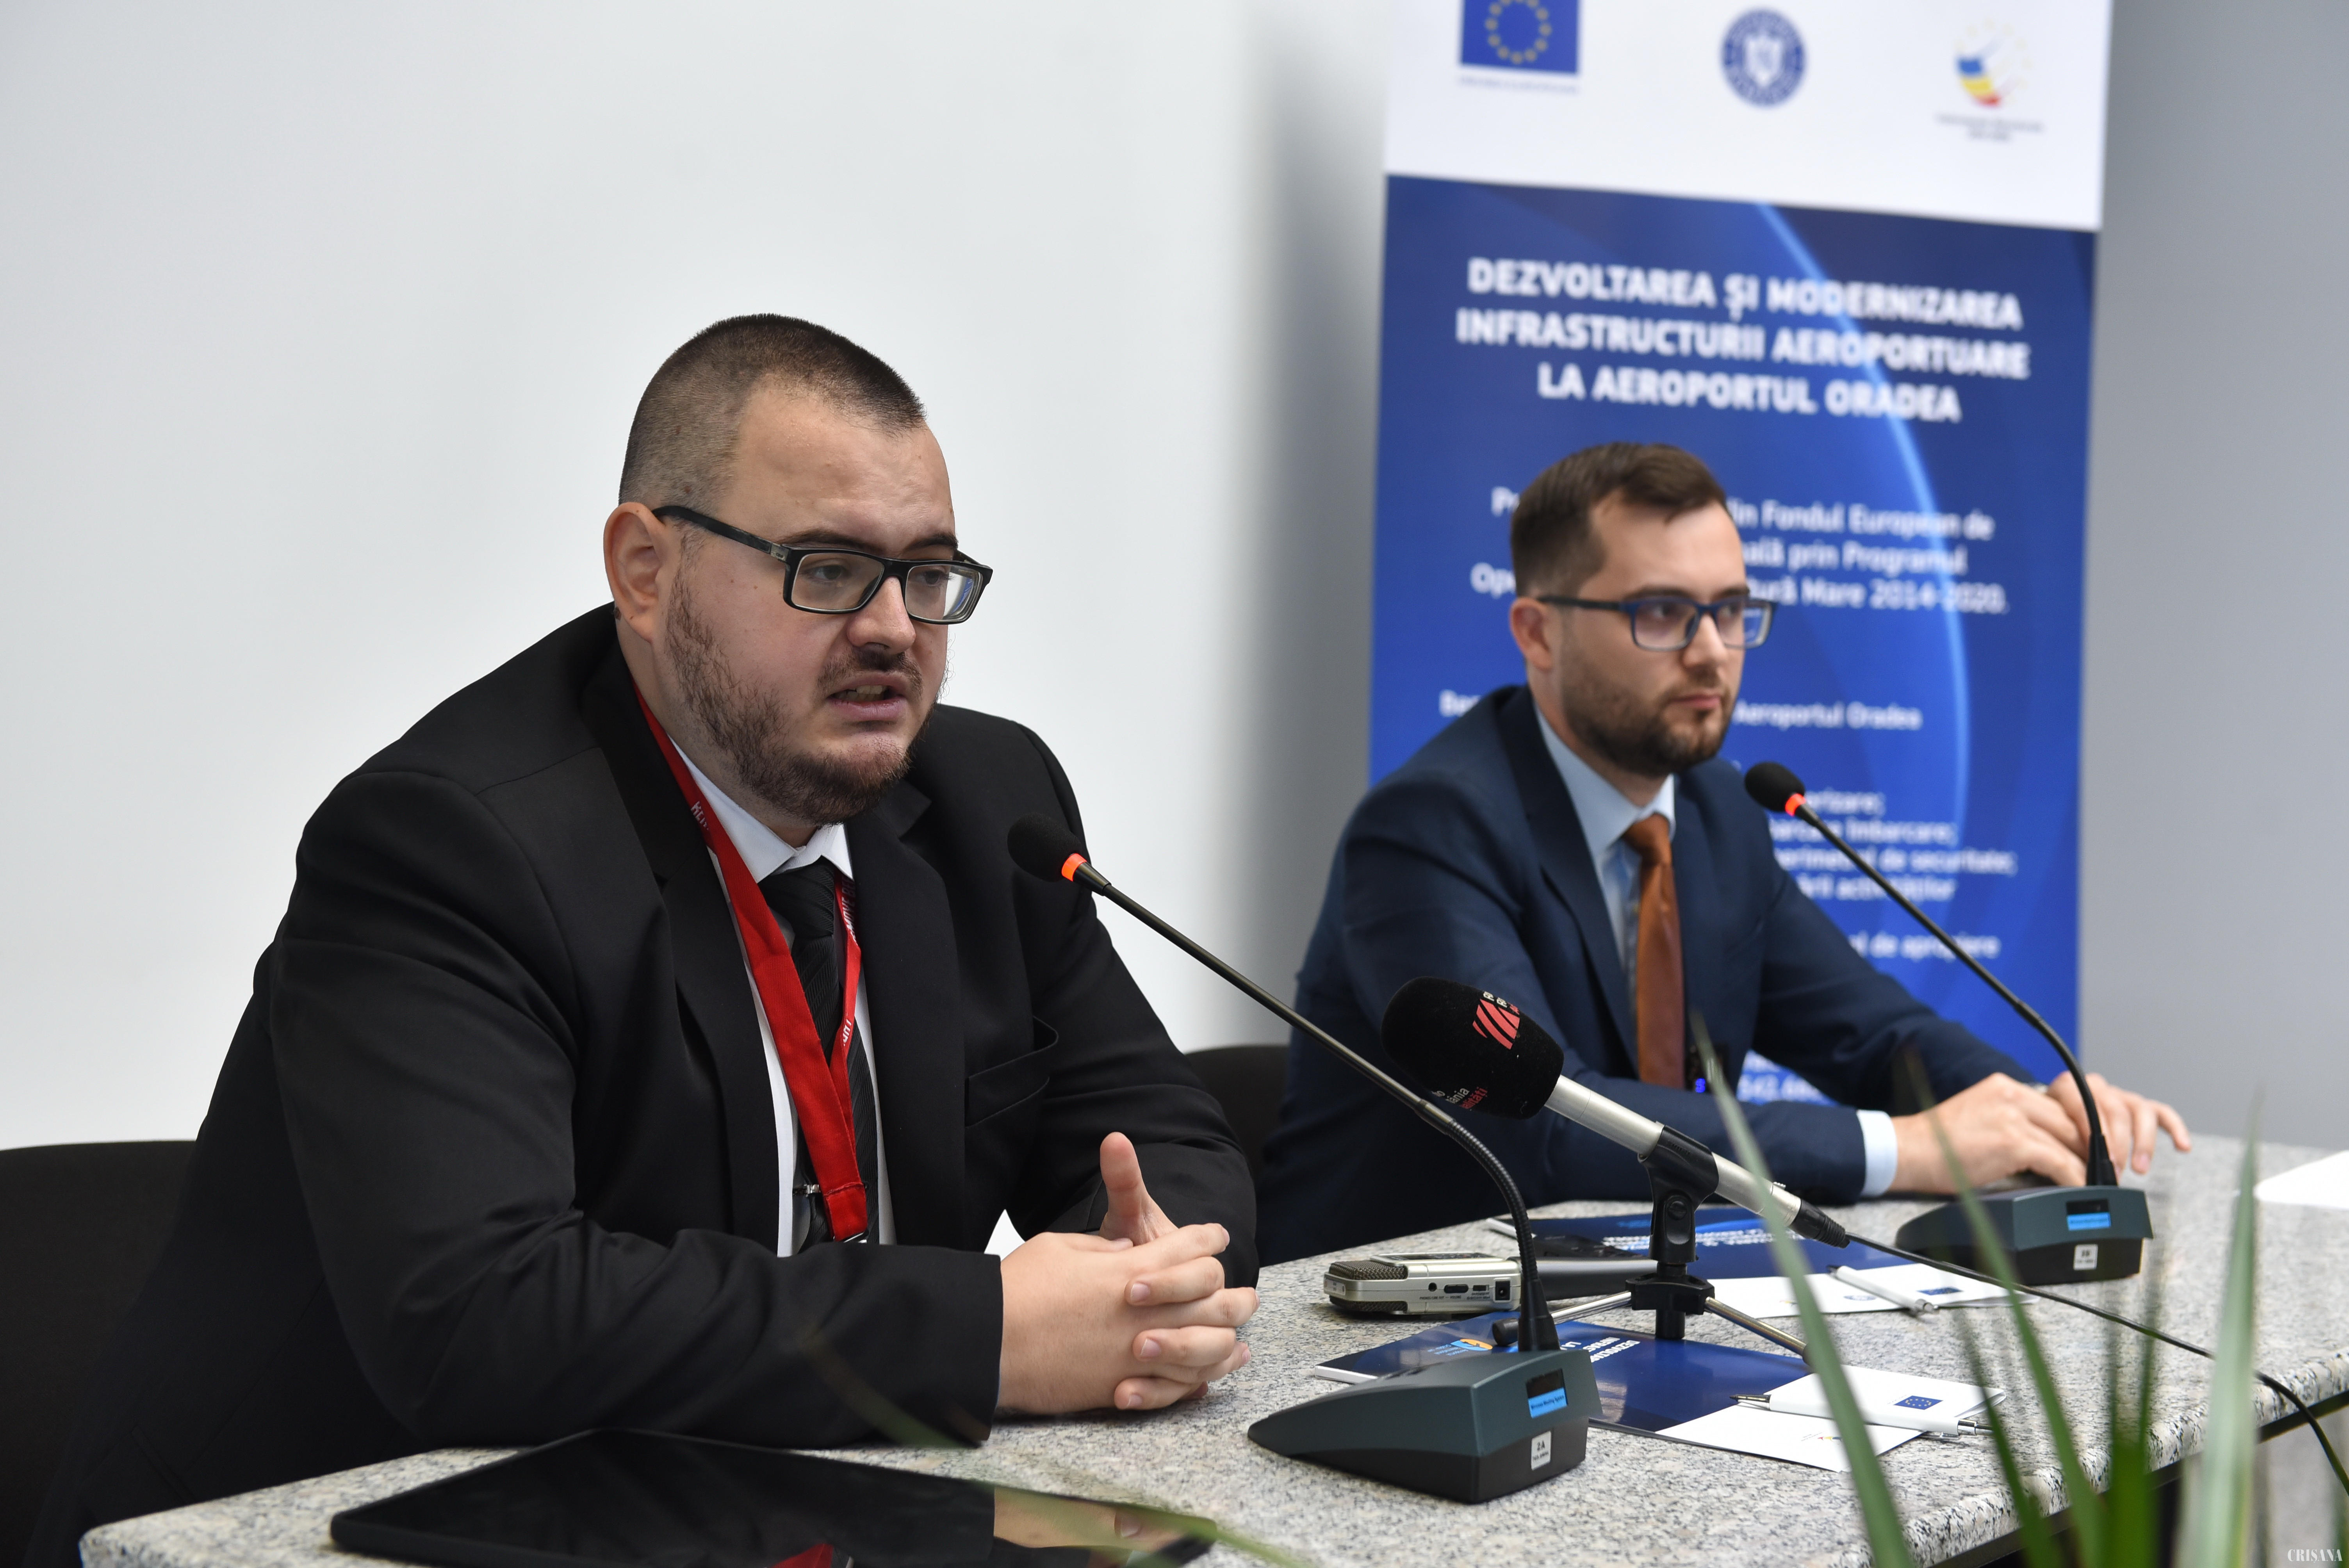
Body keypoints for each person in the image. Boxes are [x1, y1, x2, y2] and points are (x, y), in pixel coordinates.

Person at [30, 316, 1258, 1563]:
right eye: (829, 568)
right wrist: (983, 1333)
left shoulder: (988, 804)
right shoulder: (451, 846)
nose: (895, 628)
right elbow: (486, 1316)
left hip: (783, 1511)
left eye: (928, 574)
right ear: (646, 571)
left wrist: (1152, 1280)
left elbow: (1162, 1133)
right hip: (355, 1527)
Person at [1255, 441, 2187, 1264]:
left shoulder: (1715, 812)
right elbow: (1546, 1126)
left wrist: (2036, 1106)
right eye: (1661, 612)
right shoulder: (1431, 824)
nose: (1711, 653)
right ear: (1537, 633)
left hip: (1627, 1284)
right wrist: (1905, 1150)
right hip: (1383, 1317)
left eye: (1731, 609)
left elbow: (1870, 1033)